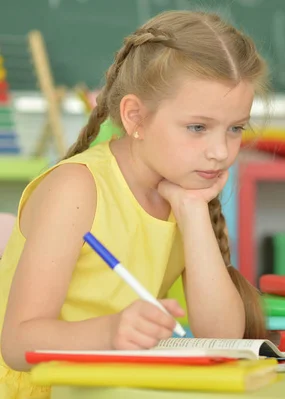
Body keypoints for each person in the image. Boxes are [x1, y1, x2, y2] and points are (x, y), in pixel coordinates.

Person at [0, 10, 270, 398]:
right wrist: (110, 331)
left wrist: (193, 211)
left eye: (235, 129)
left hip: (117, 386)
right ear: (134, 117)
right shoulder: (76, 189)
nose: (219, 152)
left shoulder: (183, 188)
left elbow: (224, 337)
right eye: (197, 127)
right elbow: (17, 343)